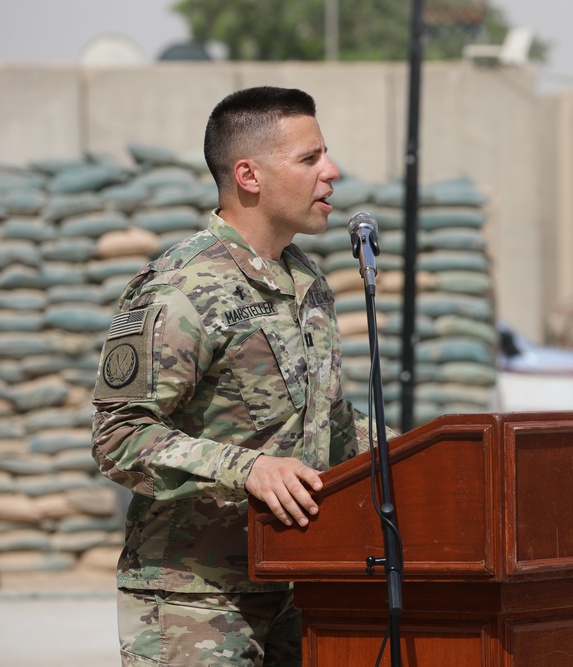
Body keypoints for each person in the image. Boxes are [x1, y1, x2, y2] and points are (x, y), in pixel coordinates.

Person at [91, 86, 382, 666]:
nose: (333, 171)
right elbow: (119, 437)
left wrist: (445, 450)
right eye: (310, 158)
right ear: (249, 174)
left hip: (299, 582)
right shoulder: (181, 287)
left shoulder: (308, 282)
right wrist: (248, 470)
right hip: (195, 599)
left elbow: (329, 424)